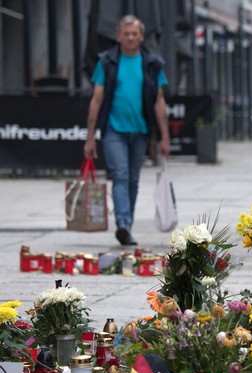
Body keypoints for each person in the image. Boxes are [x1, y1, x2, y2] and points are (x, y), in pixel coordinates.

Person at [84, 14, 170, 246]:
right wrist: (90, 137)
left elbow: (159, 101)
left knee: (133, 180)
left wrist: (165, 137)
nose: (130, 38)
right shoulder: (107, 62)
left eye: (134, 34)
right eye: (126, 34)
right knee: (120, 175)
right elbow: (97, 99)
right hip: (114, 130)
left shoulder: (152, 64)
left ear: (141, 36)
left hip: (141, 131)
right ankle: (122, 223)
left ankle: (127, 226)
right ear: (118, 36)